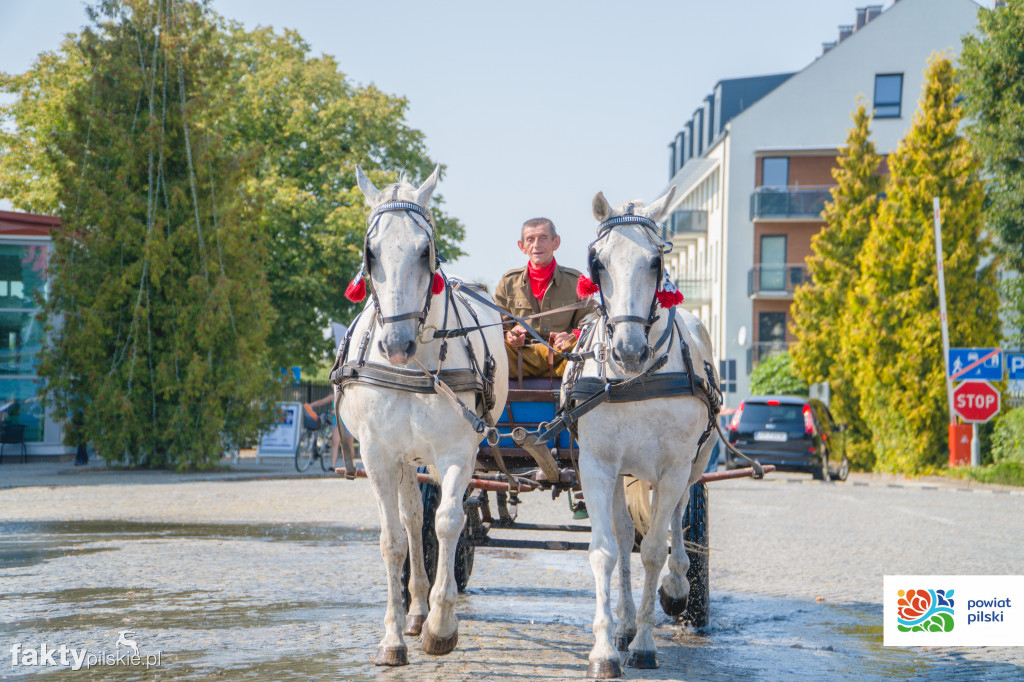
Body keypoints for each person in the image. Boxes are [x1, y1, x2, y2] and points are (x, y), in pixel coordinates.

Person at [494, 217, 593, 378]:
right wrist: (510, 336)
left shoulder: (576, 280)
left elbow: (590, 323)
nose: (536, 245)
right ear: (522, 246)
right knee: (487, 348)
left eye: (543, 238)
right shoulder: (509, 281)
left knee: (589, 346)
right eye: (530, 240)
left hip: (562, 356)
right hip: (519, 356)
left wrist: (571, 336)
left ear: (556, 243)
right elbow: (496, 324)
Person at [304, 393, 356, 469]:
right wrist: (310, 405)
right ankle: (333, 465)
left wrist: (338, 410)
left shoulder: (348, 396)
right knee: (335, 442)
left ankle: (352, 463)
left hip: (348, 422)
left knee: (349, 444)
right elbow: (321, 401)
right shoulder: (334, 396)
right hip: (337, 421)